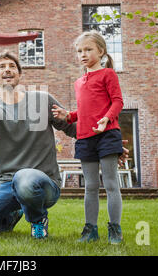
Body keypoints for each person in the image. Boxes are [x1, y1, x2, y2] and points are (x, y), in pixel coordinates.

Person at [0, 50, 77, 239]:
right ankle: (10, 217)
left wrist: (110, 144)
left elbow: (73, 128)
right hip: (6, 184)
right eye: (2, 67)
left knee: (24, 178)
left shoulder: (42, 100)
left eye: (12, 66)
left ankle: (38, 219)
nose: (8, 70)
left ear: (19, 74)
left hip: (43, 183)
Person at [52, 30, 124, 244]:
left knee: (111, 183)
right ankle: (90, 230)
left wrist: (107, 119)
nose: (83, 54)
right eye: (79, 51)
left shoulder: (108, 74)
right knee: (90, 185)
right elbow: (84, 110)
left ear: (101, 51)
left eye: (88, 49)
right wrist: (69, 116)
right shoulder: (78, 82)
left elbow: (118, 102)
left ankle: (115, 230)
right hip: (85, 137)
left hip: (107, 134)